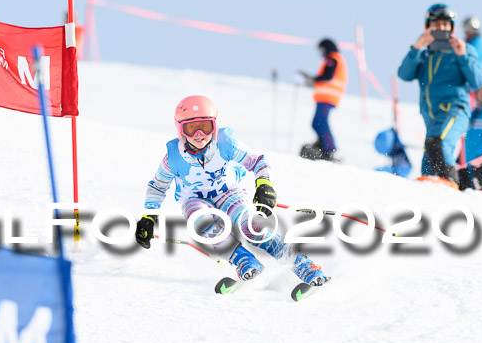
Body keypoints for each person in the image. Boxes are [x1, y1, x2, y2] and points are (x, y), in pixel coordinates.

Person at [134, 95, 330, 287]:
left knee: (251, 227)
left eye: (205, 127)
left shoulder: (224, 144)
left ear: (215, 126)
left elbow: (258, 160)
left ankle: (301, 263)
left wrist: (264, 184)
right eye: (191, 129)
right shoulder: (173, 158)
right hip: (194, 198)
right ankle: (244, 261)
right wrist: (149, 217)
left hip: (228, 192)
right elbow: (157, 187)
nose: (199, 135)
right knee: (201, 222)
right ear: (180, 130)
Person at [397, 4, 482, 188]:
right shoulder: (424, 54)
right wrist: (416, 47)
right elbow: (404, 74)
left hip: (454, 109)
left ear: (452, 27)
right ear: (427, 26)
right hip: (432, 117)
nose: (441, 29)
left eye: (445, 25)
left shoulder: (464, 49)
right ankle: (429, 196)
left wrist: (462, 55)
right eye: (436, 25)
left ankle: (449, 186)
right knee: (429, 159)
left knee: (439, 143)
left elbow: (477, 81)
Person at [298, 38, 348, 161]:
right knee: (316, 123)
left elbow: (327, 76)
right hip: (324, 97)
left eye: (321, 49)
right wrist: (313, 81)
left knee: (321, 122)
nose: (320, 52)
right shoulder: (330, 59)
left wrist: (313, 79)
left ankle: (331, 150)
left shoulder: (333, 59)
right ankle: (323, 145)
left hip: (328, 97)